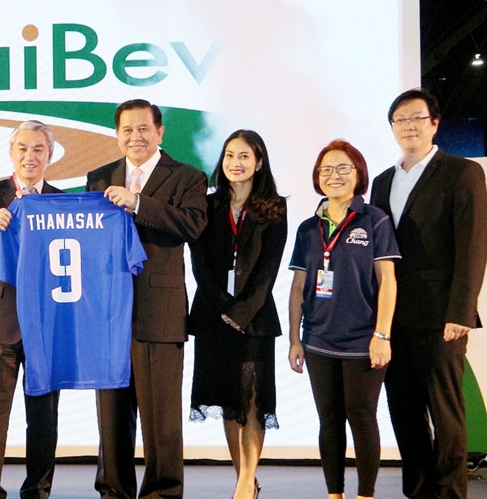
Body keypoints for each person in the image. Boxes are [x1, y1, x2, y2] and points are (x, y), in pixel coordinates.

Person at [87, 99, 208, 498]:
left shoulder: (188, 176)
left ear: (160, 132)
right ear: (117, 134)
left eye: (143, 129)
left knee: (161, 418)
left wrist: (138, 203)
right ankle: (113, 490)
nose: (135, 136)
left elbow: (192, 225)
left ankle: (163, 492)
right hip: (109, 313)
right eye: (127, 129)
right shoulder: (99, 177)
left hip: (160, 312)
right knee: (111, 415)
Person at [371, 88, 487, 498]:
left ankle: (451, 492)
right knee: (404, 411)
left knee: (446, 412)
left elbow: (473, 246)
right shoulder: (382, 182)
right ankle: (418, 491)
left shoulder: (462, 172)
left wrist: (461, 311)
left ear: (434, 123)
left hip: (441, 317)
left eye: (417, 118)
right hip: (392, 319)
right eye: (400, 120)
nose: (409, 126)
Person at [288, 140, 400, 499]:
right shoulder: (308, 228)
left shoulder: (375, 220)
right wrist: (295, 339)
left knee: (362, 417)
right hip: (318, 340)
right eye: (326, 169)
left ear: (358, 173)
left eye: (342, 168)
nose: (333, 176)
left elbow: (388, 281)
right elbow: (298, 286)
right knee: (329, 421)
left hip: (363, 340)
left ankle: (365, 495)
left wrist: (382, 335)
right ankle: (334, 494)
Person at [0, 120, 63, 499]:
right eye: (22, 148)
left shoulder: (63, 201)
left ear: (50, 155)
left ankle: (38, 491)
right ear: (11, 152)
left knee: (44, 417)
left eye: (38, 149)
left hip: (47, 324)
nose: (29, 156)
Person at [188, 130, 286, 499]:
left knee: (253, 401)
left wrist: (242, 312)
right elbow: (199, 264)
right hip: (213, 316)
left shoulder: (274, 207)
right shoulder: (208, 205)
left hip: (255, 318)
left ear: (258, 162)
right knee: (229, 401)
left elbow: (269, 270)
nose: (235, 163)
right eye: (230, 155)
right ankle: (243, 478)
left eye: (244, 156)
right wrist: (223, 308)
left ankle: (247, 480)